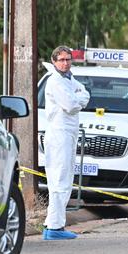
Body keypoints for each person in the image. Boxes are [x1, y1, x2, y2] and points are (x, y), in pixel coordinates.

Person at [43, 45, 90, 240]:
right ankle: (54, 227)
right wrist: (77, 100)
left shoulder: (70, 79)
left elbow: (86, 94)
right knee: (59, 180)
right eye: (61, 60)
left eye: (68, 59)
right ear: (54, 61)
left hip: (69, 133)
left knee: (65, 179)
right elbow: (71, 105)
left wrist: (77, 99)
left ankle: (54, 225)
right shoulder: (54, 81)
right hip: (59, 133)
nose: (65, 63)